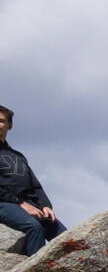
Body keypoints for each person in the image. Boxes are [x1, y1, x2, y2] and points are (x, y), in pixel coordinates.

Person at [0, 105, 66, 254]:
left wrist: (45, 205)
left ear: (9, 125)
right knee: (33, 227)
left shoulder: (18, 156)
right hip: (4, 203)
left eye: (1, 121)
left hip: (24, 203)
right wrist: (20, 203)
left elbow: (35, 186)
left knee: (61, 234)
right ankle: (36, 269)